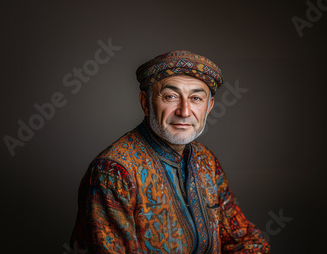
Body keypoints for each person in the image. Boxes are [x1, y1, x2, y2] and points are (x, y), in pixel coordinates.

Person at [71, 50, 270, 253]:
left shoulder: (206, 162)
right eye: (170, 96)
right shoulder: (113, 171)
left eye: (196, 98)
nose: (184, 111)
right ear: (145, 102)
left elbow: (246, 239)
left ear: (209, 107)